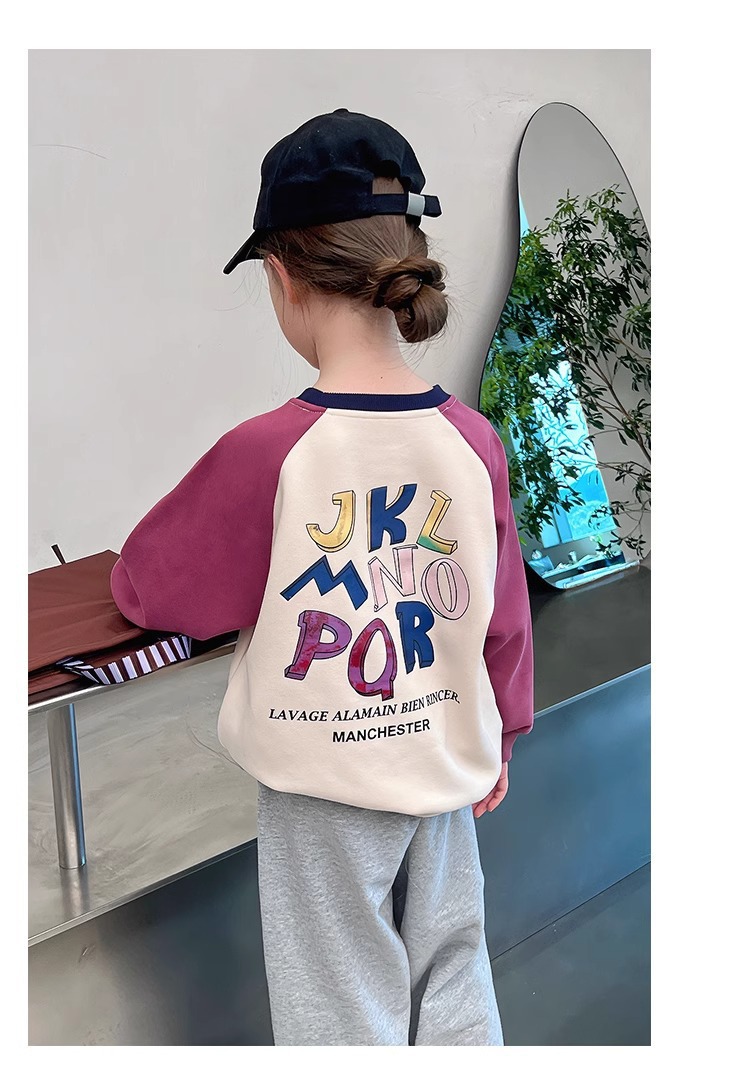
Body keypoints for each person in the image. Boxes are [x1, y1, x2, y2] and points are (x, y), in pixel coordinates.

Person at [110, 107, 534, 1046]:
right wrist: (504, 730)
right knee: (455, 973)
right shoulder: (472, 440)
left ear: (282, 276)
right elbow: (502, 615)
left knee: (339, 1008)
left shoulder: (269, 451)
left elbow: (155, 586)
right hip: (443, 760)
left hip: (323, 783)